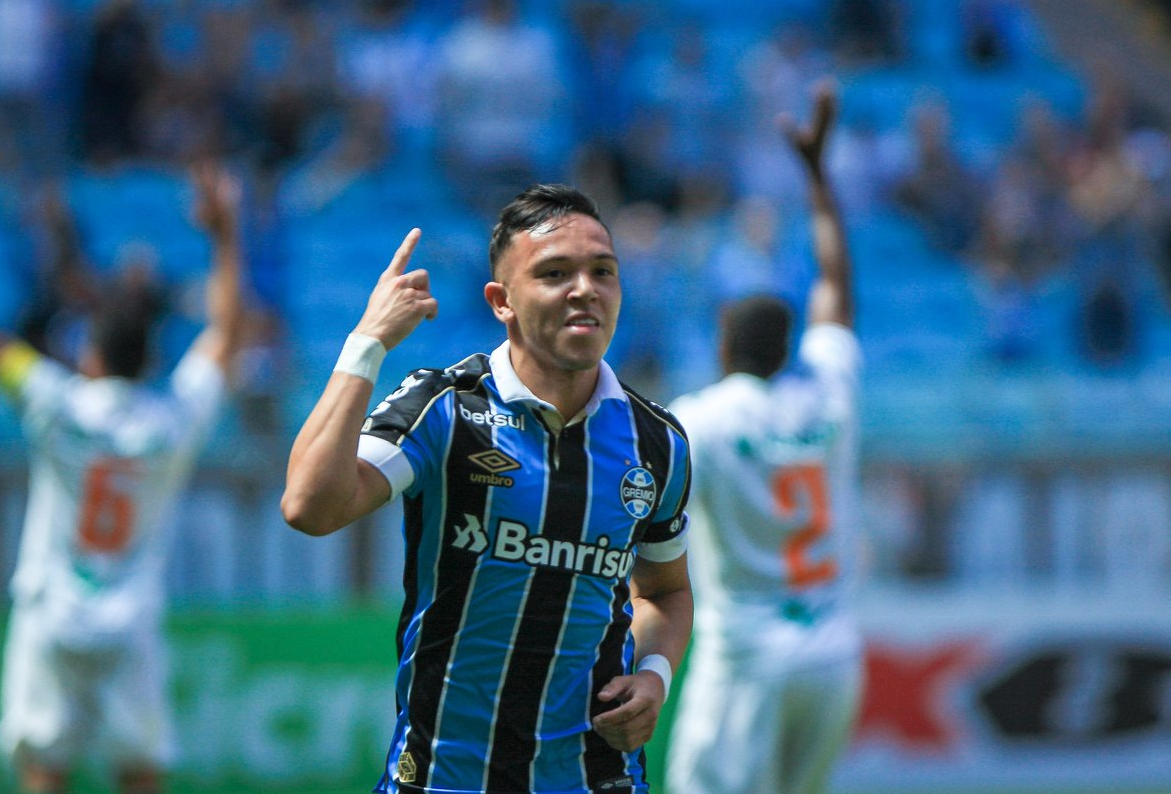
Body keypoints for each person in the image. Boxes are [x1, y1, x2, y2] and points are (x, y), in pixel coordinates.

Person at [281, 183, 693, 794]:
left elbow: (665, 589)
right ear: (502, 301)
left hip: (596, 777)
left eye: (602, 271)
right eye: (555, 273)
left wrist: (655, 674)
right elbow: (310, 507)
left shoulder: (658, 442)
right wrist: (368, 343)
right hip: (444, 778)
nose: (585, 289)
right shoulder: (444, 408)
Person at [0, 163, 246, 794]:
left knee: (43, 767)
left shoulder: (56, 403)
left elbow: (6, 354)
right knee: (138, 772)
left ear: (90, 356)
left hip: (50, 607)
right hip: (131, 615)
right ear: (152, 359)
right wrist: (224, 235)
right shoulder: (171, 422)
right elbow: (225, 337)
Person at [666, 82, 864, 794]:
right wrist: (817, 180)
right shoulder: (830, 392)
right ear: (787, 349)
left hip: (745, 659)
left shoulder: (702, 418)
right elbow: (835, 284)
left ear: (724, 347)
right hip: (832, 653)